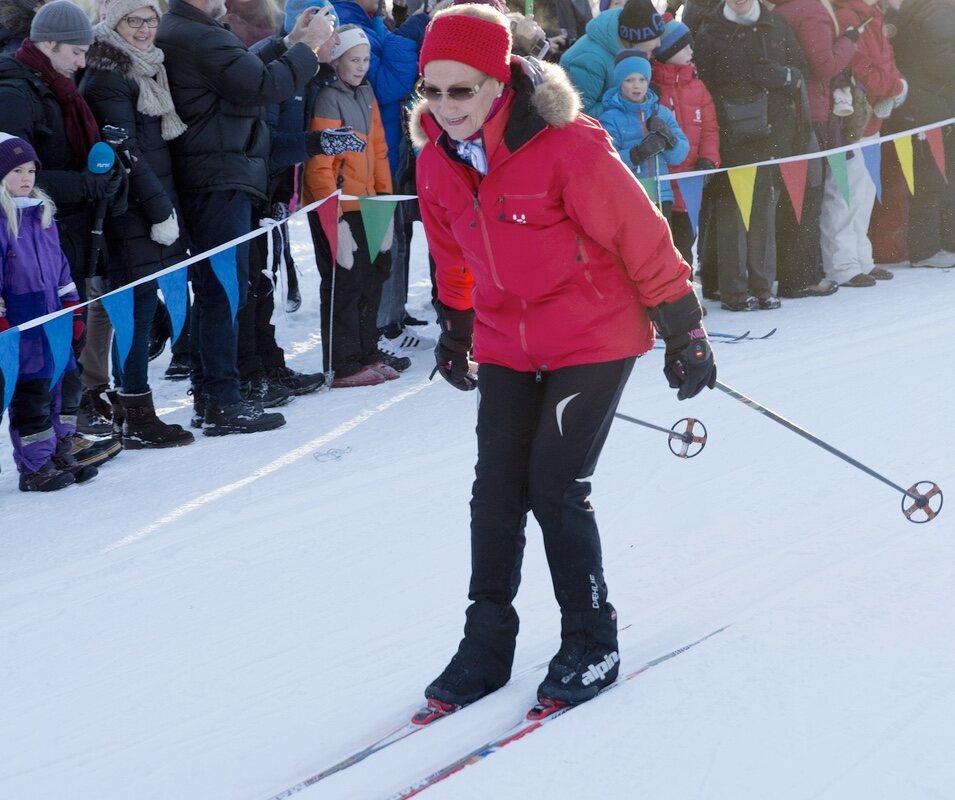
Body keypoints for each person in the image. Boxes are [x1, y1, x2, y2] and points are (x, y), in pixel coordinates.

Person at [411, 4, 716, 711]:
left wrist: (682, 326)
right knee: (494, 492)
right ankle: (485, 643)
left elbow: (639, 233)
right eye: (433, 90)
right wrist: (456, 327)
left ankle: (590, 637)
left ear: (498, 82)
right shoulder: (436, 159)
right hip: (506, 340)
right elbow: (450, 252)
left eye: (463, 90)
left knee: (553, 486)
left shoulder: (566, 143)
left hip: (593, 333)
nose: (446, 106)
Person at [155, 0, 334, 434]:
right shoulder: (196, 34)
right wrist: (307, 47)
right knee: (222, 290)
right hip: (216, 177)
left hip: (217, 173)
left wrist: (289, 42)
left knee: (221, 289)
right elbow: (264, 85)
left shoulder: (194, 29)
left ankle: (213, 394)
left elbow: (245, 69)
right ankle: (220, 400)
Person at [0, 0, 125, 467]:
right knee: (38, 356)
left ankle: (61, 437)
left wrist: (107, 169)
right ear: (47, 44)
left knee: (64, 348)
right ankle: (39, 449)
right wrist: (86, 184)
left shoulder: (58, 87)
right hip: (27, 241)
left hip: (60, 231)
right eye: (75, 52)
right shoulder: (15, 90)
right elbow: (16, 176)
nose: (82, 63)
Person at [79, 0, 196, 448]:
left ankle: (133, 409)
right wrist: (159, 210)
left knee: (140, 306)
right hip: (129, 214)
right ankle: (138, 415)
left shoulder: (146, 68)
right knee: (135, 309)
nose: (145, 29)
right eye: (134, 21)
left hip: (147, 205)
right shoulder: (109, 76)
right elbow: (129, 153)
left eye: (151, 20)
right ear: (114, 23)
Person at [304, 24, 403, 387]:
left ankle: (366, 351)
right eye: (353, 60)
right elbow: (320, 163)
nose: (360, 67)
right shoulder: (329, 97)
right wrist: (335, 211)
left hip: (369, 203)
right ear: (337, 60)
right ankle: (342, 363)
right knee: (344, 281)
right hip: (339, 204)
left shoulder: (366, 94)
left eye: (365, 60)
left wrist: (385, 201)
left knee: (372, 276)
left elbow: (379, 151)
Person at [0, 133, 99, 490]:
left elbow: (61, 271)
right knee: (32, 393)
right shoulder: (2, 219)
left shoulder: (43, 213)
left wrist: (74, 313)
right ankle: (35, 465)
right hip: (22, 322)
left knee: (65, 387)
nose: (26, 178)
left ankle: (61, 450)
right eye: (15, 171)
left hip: (54, 319)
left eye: (30, 170)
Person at [694, 0, 807, 311]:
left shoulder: (777, 25)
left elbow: (801, 70)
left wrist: (781, 76)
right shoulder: (710, 32)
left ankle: (763, 287)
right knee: (731, 214)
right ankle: (733, 291)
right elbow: (702, 86)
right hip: (730, 137)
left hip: (772, 134)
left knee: (763, 212)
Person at [772, 0, 865, 291]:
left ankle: (793, 271)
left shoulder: (781, 10)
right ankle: (802, 276)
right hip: (813, 112)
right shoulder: (810, 10)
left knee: (795, 194)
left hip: (792, 111)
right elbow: (824, 65)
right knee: (809, 195)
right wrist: (848, 42)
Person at [883, 0, 955, 269]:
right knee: (933, 176)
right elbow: (941, 60)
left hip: (920, 105)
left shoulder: (913, 10)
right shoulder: (940, 10)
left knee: (934, 175)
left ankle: (942, 243)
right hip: (931, 106)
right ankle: (928, 249)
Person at [650, 20, 720, 266]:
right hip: (662, 184)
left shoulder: (699, 88)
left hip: (691, 182)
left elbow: (710, 128)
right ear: (669, 51)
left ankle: (687, 300)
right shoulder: (652, 90)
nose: (692, 51)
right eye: (685, 47)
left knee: (686, 244)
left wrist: (709, 159)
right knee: (663, 246)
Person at [600, 49, 689, 215]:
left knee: (665, 241)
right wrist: (637, 154)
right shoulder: (610, 118)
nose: (636, 85)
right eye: (629, 80)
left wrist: (670, 139)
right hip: (630, 196)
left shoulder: (661, 112)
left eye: (642, 79)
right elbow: (607, 162)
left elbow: (680, 156)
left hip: (662, 195)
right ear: (620, 82)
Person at [559, 0, 663, 117]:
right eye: (655, 37)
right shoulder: (590, 60)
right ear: (636, 37)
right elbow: (582, 114)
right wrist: (627, 101)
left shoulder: (629, 47)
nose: (659, 43)